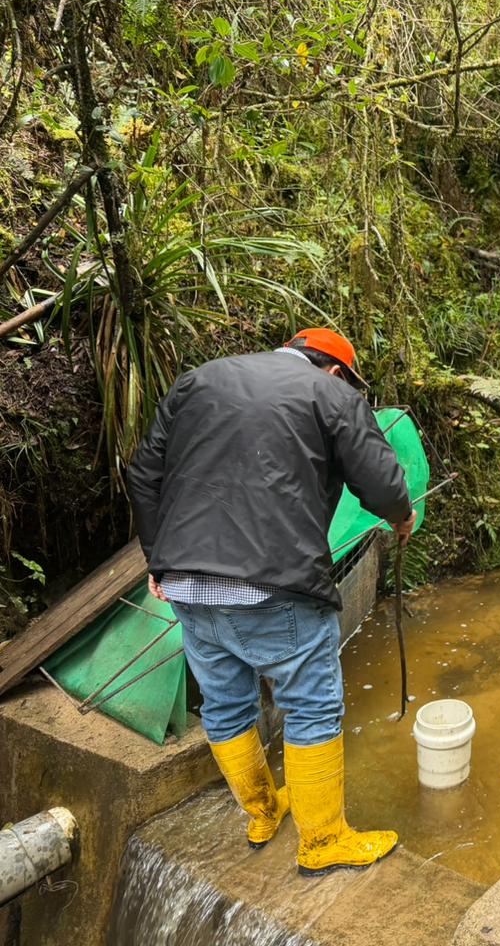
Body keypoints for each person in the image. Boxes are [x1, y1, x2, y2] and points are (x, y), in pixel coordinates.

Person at [127, 328, 417, 877]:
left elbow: (143, 475)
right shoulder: (331, 394)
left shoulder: (198, 380)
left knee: (225, 705)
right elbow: (381, 485)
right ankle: (324, 840)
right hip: (273, 588)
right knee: (312, 706)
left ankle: (262, 813)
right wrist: (401, 516)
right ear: (336, 371)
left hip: (186, 586)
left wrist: (157, 560)